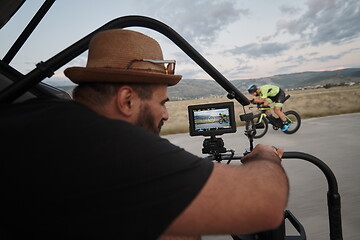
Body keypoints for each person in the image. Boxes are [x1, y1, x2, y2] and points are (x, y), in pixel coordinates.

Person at [0, 29, 289, 240]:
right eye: (162, 103)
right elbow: (266, 204)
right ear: (127, 100)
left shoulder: (46, 121)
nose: (165, 115)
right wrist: (265, 157)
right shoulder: (99, 142)